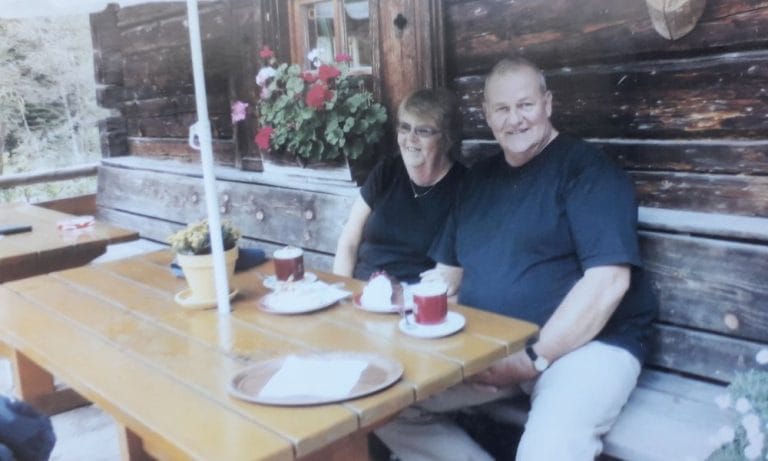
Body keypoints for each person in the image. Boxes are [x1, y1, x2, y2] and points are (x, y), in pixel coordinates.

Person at [376, 57, 658, 460]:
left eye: (525, 105)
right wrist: (399, 304)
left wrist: (532, 358)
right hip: (493, 348)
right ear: (487, 115)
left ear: (547, 104)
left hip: (587, 349)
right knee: (384, 404)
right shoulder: (477, 182)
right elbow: (445, 279)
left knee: (548, 451)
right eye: (502, 109)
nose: (515, 119)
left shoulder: (587, 171)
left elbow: (608, 283)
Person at [333, 89, 466, 284]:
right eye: (405, 128)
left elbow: (453, 270)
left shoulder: (463, 187)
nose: (410, 138)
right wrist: (342, 291)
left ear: (446, 139)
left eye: (423, 131)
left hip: (414, 299)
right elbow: (349, 242)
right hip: (363, 291)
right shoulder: (387, 171)